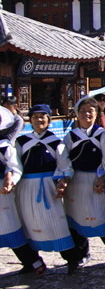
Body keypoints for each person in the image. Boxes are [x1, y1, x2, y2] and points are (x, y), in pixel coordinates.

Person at [15, 104, 83, 274]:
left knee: (55, 223)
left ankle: (72, 258)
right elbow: (15, 166)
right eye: (35, 117)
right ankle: (32, 262)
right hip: (26, 187)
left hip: (48, 188)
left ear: (49, 120)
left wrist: (63, 181)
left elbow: (65, 166)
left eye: (43, 117)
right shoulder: (21, 142)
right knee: (29, 223)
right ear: (30, 120)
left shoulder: (55, 142)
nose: (39, 120)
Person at [63, 97, 105, 269]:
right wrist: (65, 177)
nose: (86, 114)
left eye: (90, 111)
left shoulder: (101, 135)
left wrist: (103, 178)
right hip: (76, 183)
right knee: (76, 219)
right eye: (82, 111)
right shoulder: (70, 136)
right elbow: (64, 159)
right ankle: (80, 255)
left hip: (96, 182)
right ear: (77, 114)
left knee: (100, 218)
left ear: (96, 113)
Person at [0, 105, 46, 275]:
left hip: (2, 193)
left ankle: (34, 262)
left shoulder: (4, 146)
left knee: (8, 227)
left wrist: (9, 177)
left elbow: (14, 166)